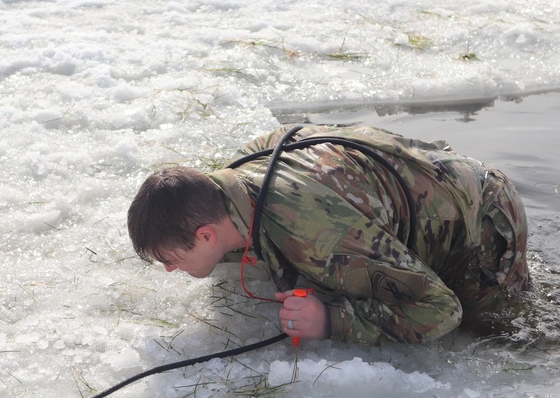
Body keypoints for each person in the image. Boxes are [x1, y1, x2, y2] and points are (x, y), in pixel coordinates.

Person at [127, 124, 531, 345]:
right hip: (435, 176)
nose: (168, 270)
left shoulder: (318, 237)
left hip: (482, 217)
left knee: (492, 328)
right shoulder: (231, 183)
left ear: (206, 236)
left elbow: (440, 311)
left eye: (171, 259)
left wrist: (331, 320)